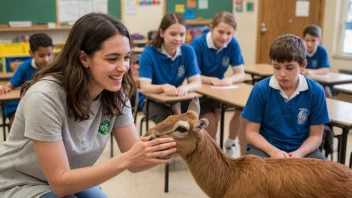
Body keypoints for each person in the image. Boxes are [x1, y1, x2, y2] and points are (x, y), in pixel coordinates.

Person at [0, 13, 176, 198]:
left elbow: (135, 162)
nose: (124, 67)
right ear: (84, 58)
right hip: (20, 181)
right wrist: (127, 159)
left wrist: (180, 147)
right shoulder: (44, 97)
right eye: (112, 59)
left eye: (126, 57)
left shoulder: (116, 92)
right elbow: (60, 183)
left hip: (71, 175)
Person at [242, 34, 330, 159]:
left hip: (303, 150)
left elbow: (315, 136)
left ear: (303, 65)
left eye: (289, 68)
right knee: (254, 173)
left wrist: (299, 153)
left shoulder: (316, 91)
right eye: (276, 67)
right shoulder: (260, 90)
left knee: (324, 175)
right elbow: (251, 133)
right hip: (266, 149)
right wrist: (273, 152)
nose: (282, 74)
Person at [190, 11, 246, 157]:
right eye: (221, 31)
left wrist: (230, 80)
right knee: (211, 122)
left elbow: (241, 73)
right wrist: (210, 80)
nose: (225, 37)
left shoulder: (233, 43)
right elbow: (191, 76)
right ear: (211, 28)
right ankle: (212, 154)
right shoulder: (198, 43)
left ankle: (230, 143)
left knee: (244, 111)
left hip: (221, 89)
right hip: (201, 90)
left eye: (229, 33)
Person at [139, 13, 201, 124]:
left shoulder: (188, 51)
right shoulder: (148, 53)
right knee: (169, 121)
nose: (178, 38)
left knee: (192, 118)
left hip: (176, 99)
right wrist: (163, 87)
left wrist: (186, 87)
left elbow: (197, 82)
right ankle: (169, 141)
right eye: (173, 34)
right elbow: (144, 87)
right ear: (162, 33)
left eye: (182, 34)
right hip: (152, 101)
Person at [0, 33, 54, 126]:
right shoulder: (24, 67)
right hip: (25, 104)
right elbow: (10, 85)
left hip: (46, 104)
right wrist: (5, 88)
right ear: (31, 53)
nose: (46, 59)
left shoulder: (55, 67)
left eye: (49, 54)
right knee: (17, 121)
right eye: (41, 55)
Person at [301, 24, 332, 97]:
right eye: (307, 40)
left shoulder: (322, 51)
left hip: (318, 81)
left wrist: (310, 72)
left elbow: (325, 69)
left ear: (319, 40)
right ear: (303, 39)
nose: (309, 44)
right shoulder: (300, 50)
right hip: (302, 80)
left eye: (313, 40)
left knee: (326, 89)